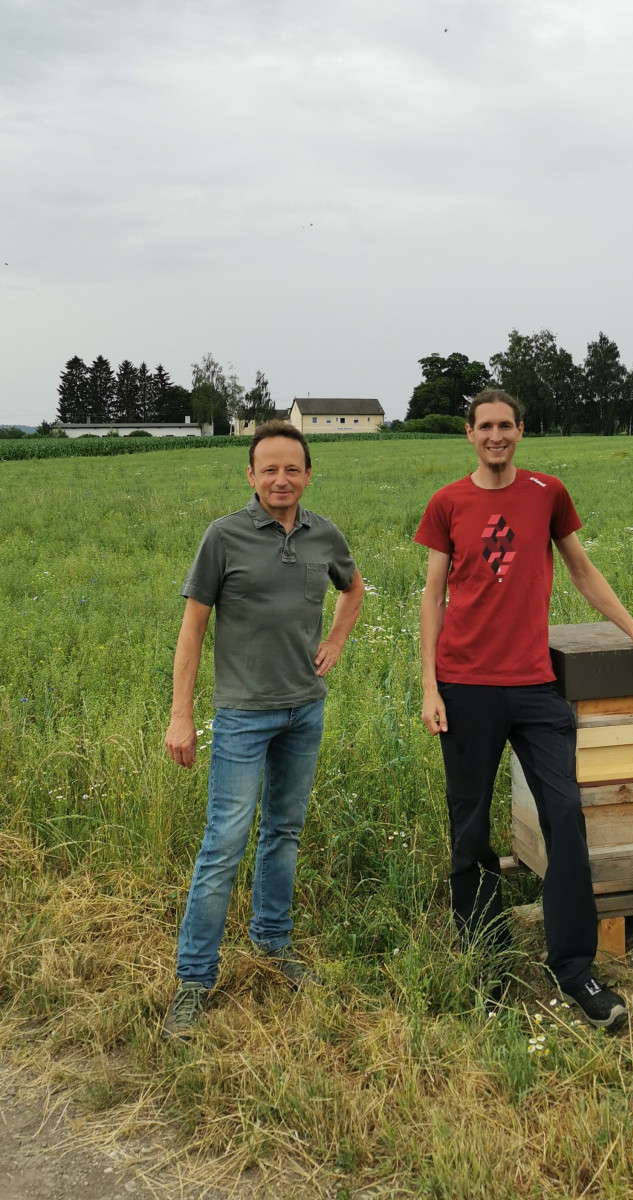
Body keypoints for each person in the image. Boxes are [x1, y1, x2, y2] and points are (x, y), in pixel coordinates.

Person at [415, 389, 633, 1029]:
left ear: (521, 431)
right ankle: (485, 962)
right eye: (485, 426)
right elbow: (432, 596)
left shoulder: (547, 492)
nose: (496, 436)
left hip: (534, 687)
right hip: (466, 687)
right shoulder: (448, 502)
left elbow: (583, 572)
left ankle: (575, 970)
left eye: (506, 425)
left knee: (565, 814)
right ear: (469, 434)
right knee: (470, 828)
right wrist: (429, 685)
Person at [162, 420, 364, 1040]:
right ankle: (194, 980)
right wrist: (182, 715)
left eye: (292, 469)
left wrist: (334, 639)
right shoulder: (222, 538)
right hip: (243, 717)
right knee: (224, 841)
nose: (281, 478)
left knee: (285, 831)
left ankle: (273, 946)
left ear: (307, 475)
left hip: (305, 709)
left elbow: (354, 591)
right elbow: (192, 630)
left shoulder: (323, 534)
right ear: (250, 476)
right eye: (268, 468)